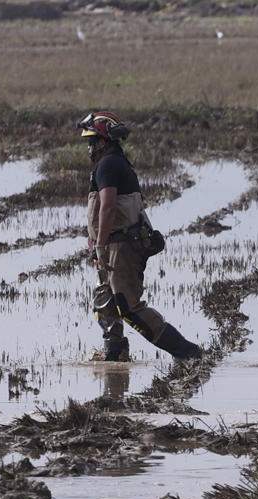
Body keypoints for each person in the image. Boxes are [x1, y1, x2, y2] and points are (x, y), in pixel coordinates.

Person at [79, 109, 203, 363]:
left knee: (128, 307)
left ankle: (187, 352)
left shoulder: (109, 164)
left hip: (120, 246)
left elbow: (108, 206)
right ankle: (115, 354)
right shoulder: (113, 162)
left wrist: (100, 245)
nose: (89, 147)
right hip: (112, 245)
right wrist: (97, 245)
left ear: (104, 141)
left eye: (92, 141)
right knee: (106, 302)